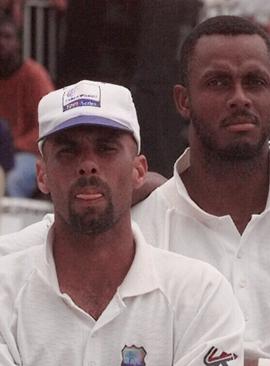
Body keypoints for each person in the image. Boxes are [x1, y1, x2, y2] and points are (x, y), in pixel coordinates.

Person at [0, 16, 270, 364]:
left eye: (255, 82)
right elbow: (39, 242)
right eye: (218, 82)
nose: (239, 98)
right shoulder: (142, 225)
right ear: (182, 101)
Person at [0, 80, 244, 365]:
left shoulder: (199, 294)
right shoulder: (6, 289)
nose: (88, 164)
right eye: (68, 151)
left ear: (139, 170)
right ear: (42, 175)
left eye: (106, 149)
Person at [0, 15, 54, 197]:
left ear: (17, 42)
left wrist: (13, 145)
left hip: (30, 153)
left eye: (7, 37)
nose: (1, 42)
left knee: (13, 181)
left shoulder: (34, 75)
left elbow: (50, 123)